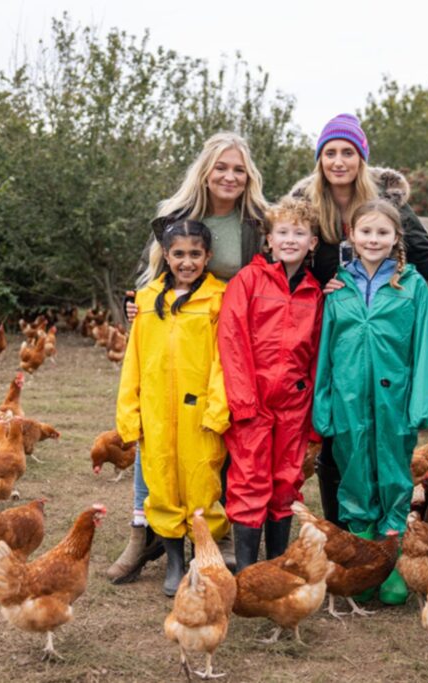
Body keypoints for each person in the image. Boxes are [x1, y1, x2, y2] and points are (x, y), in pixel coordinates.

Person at [108, 132, 268, 584]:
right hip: (176, 330)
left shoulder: (255, 223)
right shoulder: (175, 217)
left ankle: (216, 534)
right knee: (157, 439)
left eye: (238, 169)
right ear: (206, 170)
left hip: (228, 334)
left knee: (216, 439)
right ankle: (143, 533)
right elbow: (150, 274)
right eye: (222, 167)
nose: (230, 176)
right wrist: (137, 306)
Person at [287, 113, 428, 530]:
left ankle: (390, 535)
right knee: (342, 450)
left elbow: (426, 258)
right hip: (334, 321)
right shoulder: (307, 207)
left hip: (384, 343)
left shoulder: (390, 210)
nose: (338, 161)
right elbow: (286, 255)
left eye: (348, 152)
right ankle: (348, 533)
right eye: (330, 153)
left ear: (361, 158)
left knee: (389, 455)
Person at [312, 199, 428, 606]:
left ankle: (393, 559)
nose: (373, 239)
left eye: (382, 232)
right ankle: (364, 562)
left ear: (396, 237)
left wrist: (420, 403)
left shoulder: (412, 286)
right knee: (354, 474)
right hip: (347, 399)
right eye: (366, 231)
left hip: (394, 399)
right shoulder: (338, 287)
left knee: (394, 475)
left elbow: (423, 348)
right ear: (352, 235)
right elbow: (326, 350)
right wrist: (323, 402)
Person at [116, 219, 230, 597]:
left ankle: (203, 556)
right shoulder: (147, 300)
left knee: (201, 484)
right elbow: (133, 360)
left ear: (207, 256)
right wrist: (129, 412)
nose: (187, 262)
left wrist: (218, 409)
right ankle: (174, 560)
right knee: (161, 484)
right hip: (156, 412)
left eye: (195, 254)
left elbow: (224, 360)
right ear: (166, 255)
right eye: (178, 254)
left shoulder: (218, 299)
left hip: (200, 411)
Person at [218, 197, 323, 572]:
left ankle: (276, 570)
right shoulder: (249, 281)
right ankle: (247, 573)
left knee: (287, 482)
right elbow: (232, 341)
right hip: (253, 402)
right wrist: (244, 402)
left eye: (300, 233)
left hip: (294, 405)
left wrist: (312, 411)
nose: (290, 239)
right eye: (283, 232)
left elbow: (317, 353)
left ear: (312, 242)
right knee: (249, 481)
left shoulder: (315, 292)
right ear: (269, 239)